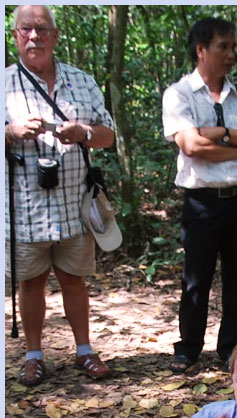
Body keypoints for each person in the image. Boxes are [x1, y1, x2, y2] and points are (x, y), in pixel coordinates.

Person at [5, 5, 117, 386]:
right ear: (15, 35)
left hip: (73, 203)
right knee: (31, 282)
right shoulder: (4, 83)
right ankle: (33, 356)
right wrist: (10, 131)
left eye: (41, 29)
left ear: (54, 36)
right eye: (25, 29)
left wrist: (83, 132)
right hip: (24, 207)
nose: (33, 36)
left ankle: (84, 350)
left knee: (74, 278)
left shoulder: (81, 81)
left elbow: (109, 135)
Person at [162, 17, 237, 374]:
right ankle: (189, 348)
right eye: (222, 46)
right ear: (201, 50)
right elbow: (191, 145)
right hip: (202, 202)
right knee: (196, 278)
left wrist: (220, 133)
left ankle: (230, 347)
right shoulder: (179, 94)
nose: (230, 54)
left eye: (232, 47)